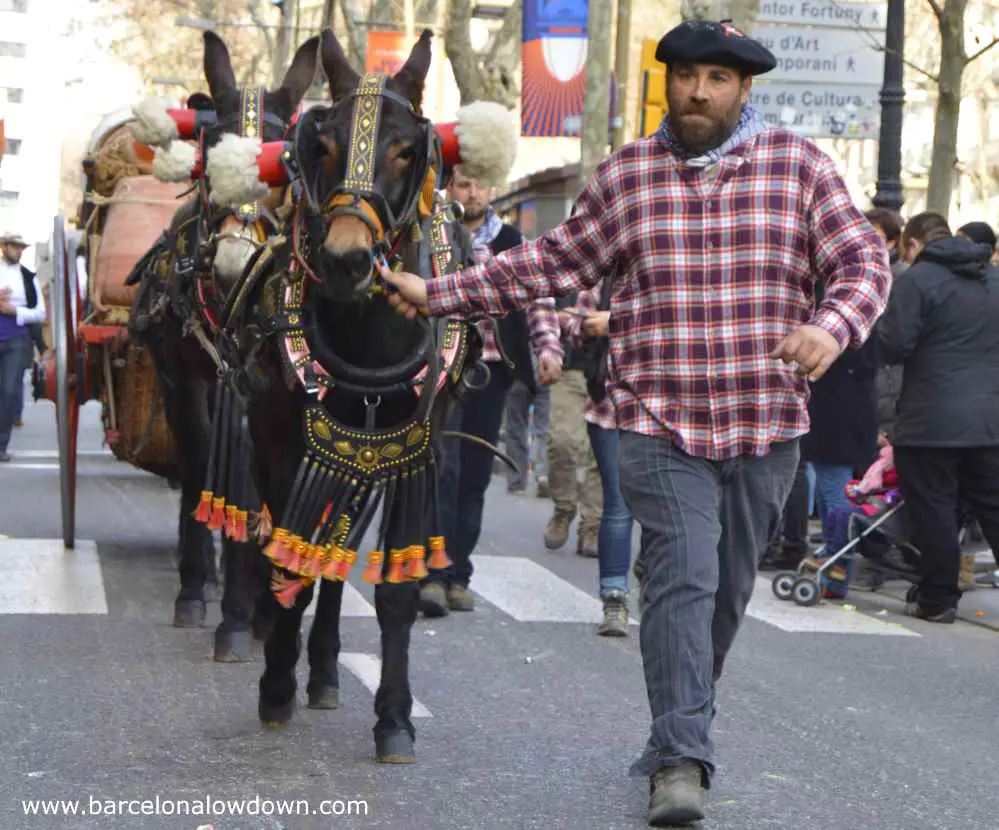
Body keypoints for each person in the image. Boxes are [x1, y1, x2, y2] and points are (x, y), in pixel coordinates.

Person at [380, 19, 891, 825]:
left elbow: (862, 260)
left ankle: (673, 726)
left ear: (742, 89)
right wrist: (435, 292)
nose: (697, 91)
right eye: (685, 76)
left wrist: (831, 324)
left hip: (765, 423)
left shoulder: (798, 167)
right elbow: (550, 265)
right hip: (656, 420)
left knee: (724, 595)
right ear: (667, 84)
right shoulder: (626, 176)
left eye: (716, 79)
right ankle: (682, 760)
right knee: (682, 579)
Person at [418, 166, 563, 618]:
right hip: (439, 371)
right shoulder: (430, 238)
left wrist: (548, 348)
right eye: (464, 183)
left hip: (491, 372)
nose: (473, 191)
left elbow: (538, 299)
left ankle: (459, 574)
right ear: (449, 188)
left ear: (494, 188)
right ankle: (434, 574)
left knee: (476, 476)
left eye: (481, 183)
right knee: (443, 470)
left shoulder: (514, 245)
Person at [878, 212, 999, 622]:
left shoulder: (917, 281)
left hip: (930, 421)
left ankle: (938, 598)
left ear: (915, 246)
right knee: (994, 506)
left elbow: (894, 344)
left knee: (934, 509)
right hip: (990, 422)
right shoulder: (992, 281)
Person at [563, 279, 634, 636]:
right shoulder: (609, 272)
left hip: (666, 408)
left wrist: (617, 320)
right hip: (609, 407)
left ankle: (665, 590)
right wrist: (589, 323)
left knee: (667, 510)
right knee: (619, 502)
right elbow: (576, 325)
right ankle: (614, 598)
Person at [0, 232, 45, 461]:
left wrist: (14, 311)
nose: (19, 251)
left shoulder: (29, 277)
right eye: (15, 247)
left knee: (9, 391)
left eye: (21, 247)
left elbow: (40, 312)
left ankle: (1, 445)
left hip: (16, 339)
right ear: (4, 247)